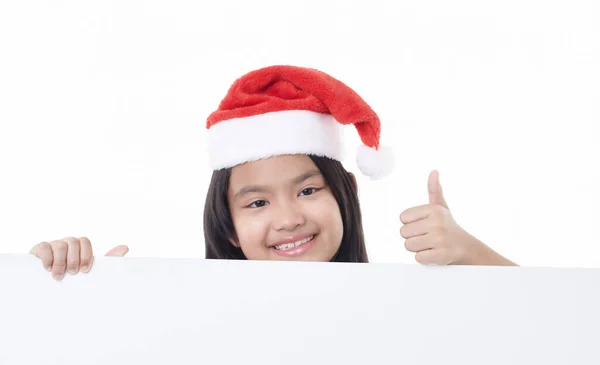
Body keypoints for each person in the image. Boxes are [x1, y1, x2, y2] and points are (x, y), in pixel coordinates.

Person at [29, 65, 517, 280]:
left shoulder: (400, 311)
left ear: (343, 198)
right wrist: (74, 290)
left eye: (307, 189)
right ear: (232, 230)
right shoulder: (193, 319)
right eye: (257, 202)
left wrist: (468, 254)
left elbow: (565, 336)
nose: (287, 219)